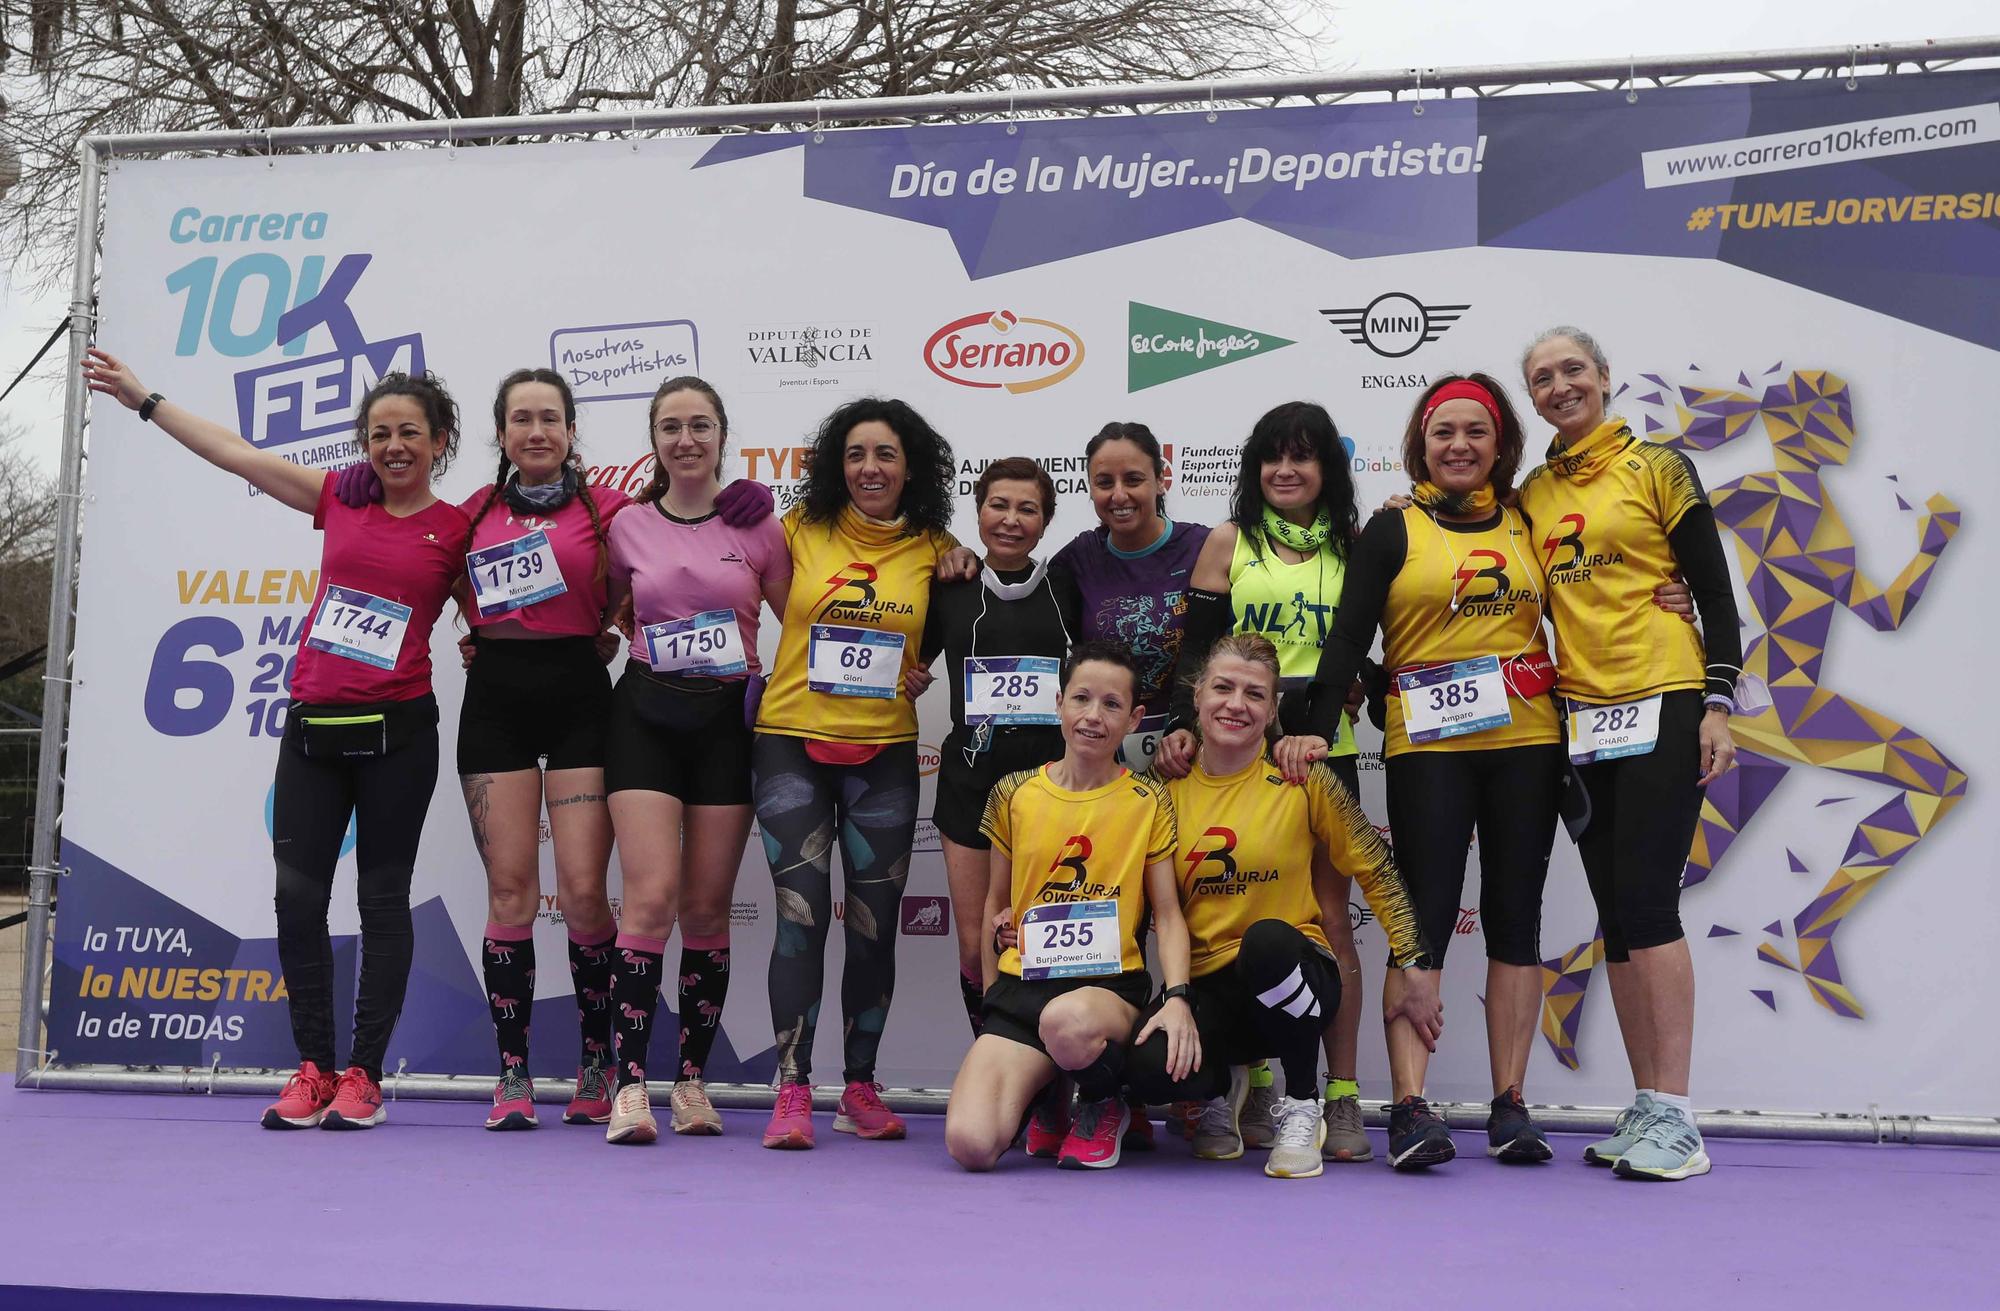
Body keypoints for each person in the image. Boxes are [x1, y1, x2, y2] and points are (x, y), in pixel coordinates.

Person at [84, 348, 468, 1131]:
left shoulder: (457, 530)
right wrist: (143, 399)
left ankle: (365, 1075)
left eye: (411, 433)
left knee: (382, 899)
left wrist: (571, 634)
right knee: (298, 897)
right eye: (380, 433)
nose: (394, 446)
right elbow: (238, 454)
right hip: (313, 730)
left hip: (400, 733)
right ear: (365, 442)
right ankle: (315, 1068)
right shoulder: (339, 498)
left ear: (439, 442)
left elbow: (508, 615)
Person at [1288, 375, 1566, 1167]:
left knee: (1517, 918)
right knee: (1423, 918)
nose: (1459, 445)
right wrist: (1313, 733)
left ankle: (1510, 1103)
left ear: (1500, 443)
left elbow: (1591, 592)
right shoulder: (1389, 529)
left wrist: (1669, 596)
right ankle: (1410, 1106)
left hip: (1526, 742)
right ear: (1421, 442)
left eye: (1476, 431)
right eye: (1444, 431)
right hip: (1428, 750)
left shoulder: (1528, 520)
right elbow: (1345, 643)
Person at [1516, 326, 1742, 1181]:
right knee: (1618, 913)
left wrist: (1717, 702)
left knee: (1649, 905)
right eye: (1543, 378)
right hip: (1581, 717)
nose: (1560, 385)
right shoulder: (1533, 490)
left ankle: (1679, 1116)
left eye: (1573, 369)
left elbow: (1714, 593)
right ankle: (1648, 1105)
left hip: (1665, 699)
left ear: (1605, 378)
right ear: (1532, 399)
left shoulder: (1659, 466)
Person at [1128, 635, 1438, 1178]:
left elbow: (1377, 869)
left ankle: (1301, 1105)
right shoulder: (1161, 787)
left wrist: (1413, 963)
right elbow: (1121, 885)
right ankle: (1218, 1093)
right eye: (1222, 688)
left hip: (1297, 978)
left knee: (1267, 941)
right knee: (1148, 1068)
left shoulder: (1303, 778)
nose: (1235, 704)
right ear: (1197, 697)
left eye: (1254, 694)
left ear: (1272, 709)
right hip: (1211, 989)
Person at [751, 397, 973, 1149]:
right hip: (790, 742)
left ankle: (858, 1085)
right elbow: (712, 575)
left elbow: (941, 642)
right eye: (855, 454)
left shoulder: (939, 549)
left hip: (883, 754)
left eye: (884, 454)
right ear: (834, 465)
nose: (869, 468)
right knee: (800, 916)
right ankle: (790, 1088)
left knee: (874, 928)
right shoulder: (794, 530)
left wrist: (920, 673)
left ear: (910, 466)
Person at [1158, 401, 1373, 1161]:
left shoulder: (1355, 543)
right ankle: (1251, 1080)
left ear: (1327, 469)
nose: (1286, 470)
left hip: (1320, 752)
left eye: (1303, 456)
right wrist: (1187, 721)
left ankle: (1339, 1097)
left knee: (1327, 921)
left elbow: (1365, 652)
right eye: (1272, 456)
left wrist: (1328, 712)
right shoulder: (1227, 541)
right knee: (1235, 905)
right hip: (1239, 748)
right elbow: (1196, 659)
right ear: (1253, 468)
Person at [597, 376, 790, 1144]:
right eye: (671, 426)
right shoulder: (627, 525)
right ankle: (631, 1087)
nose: (686, 439)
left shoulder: (760, 526)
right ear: (654, 440)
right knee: (648, 902)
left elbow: (800, 619)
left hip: (725, 722)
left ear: (721, 435)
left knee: (707, 909)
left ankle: (691, 1083)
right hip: (644, 715)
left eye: (700, 425)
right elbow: (600, 610)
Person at [445, 369, 629, 1133]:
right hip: (497, 701)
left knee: (585, 894)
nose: (537, 432)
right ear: (502, 433)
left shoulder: (611, 508)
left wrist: (611, 619)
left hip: (582, 697)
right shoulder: (472, 511)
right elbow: (435, 567)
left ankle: (596, 1062)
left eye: (550, 418)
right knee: (512, 894)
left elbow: (668, 557)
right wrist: (477, 625)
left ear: (571, 429)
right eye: (521, 419)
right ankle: (513, 1072)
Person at [944, 641, 1197, 1173]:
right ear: (1059, 703)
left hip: (1105, 993)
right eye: (1081, 698)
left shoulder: (1149, 801)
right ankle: (1050, 1093)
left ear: (1134, 720)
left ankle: (1105, 1099)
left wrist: (1178, 996)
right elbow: (996, 905)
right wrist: (993, 999)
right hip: (1022, 989)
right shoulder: (1014, 793)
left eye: (1111, 705)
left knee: (1066, 1021)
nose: (1093, 716)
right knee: (970, 1144)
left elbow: (1169, 913)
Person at [915, 458, 1073, 1041]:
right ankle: (994, 1065)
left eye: (1027, 508)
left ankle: (1049, 1083)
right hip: (970, 786)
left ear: (1046, 519)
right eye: (997, 505)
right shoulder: (948, 584)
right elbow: (912, 661)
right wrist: (909, 679)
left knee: (1044, 938)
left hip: (1054, 789)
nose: (1010, 519)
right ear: (977, 511)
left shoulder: (1067, 586)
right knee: (977, 943)